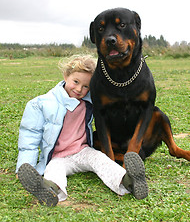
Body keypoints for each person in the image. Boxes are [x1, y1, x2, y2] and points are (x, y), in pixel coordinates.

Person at [16, 55, 148, 207]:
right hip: (58, 156)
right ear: (66, 76)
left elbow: (111, 92)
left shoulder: (90, 100)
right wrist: (25, 166)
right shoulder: (41, 104)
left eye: (86, 86)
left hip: (83, 151)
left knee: (101, 160)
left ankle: (129, 182)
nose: (79, 89)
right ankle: (49, 190)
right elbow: (29, 137)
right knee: (53, 171)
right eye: (76, 82)